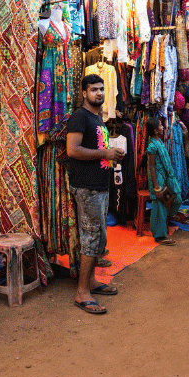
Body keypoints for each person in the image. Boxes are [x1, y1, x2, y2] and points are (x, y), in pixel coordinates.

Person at [66, 74, 125, 315]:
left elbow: (99, 148)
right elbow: (73, 150)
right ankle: (82, 293)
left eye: (101, 89)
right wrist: (105, 154)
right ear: (84, 93)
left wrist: (110, 154)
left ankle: (90, 282)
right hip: (87, 187)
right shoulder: (80, 117)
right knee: (90, 237)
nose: (99, 93)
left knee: (98, 236)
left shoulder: (97, 118)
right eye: (93, 89)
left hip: (99, 185)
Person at [145, 115, 181, 246]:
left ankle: (168, 217)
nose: (162, 127)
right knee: (159, 205)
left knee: (176, 198)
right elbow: (151, 167)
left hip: (166, 177)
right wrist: (156, 187)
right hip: (158, 180)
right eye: (160, 125)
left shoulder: (159, 141)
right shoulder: (152, 146)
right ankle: (160, 236)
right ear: (155, 130)